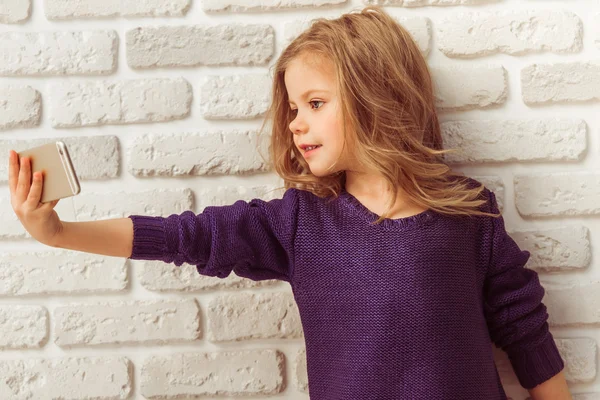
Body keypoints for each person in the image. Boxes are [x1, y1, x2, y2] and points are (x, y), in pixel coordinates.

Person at [7, 6, 571, 400]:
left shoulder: (468, 214)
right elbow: (186, 236)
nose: (296, 123)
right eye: (292, 108)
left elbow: (525, 331)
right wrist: (58, 232)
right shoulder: (300, 223)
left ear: (377, 94)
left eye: (314, 102)